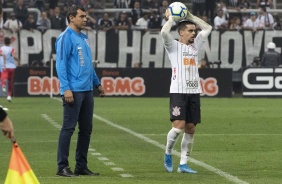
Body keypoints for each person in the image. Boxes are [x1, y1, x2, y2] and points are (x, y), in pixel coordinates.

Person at [55, 5, 106, 177]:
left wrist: (97, 84)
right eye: (82, 16)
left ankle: (81, 166)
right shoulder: (65, 38)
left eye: (86, 16)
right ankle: (62, 166)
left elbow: (88, 65)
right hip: (74, 91)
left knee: (86, 130)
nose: (85, 19)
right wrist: (65, 88)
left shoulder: (84, 38)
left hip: (87, 90)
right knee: (68, 128)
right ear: (71, 18)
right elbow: (60, 64)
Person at [161, 9, 212, 173]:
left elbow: (208, 28)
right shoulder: (173, 46)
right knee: (178, 127)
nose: (193, 33)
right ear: (181, 32)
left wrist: (190, 16)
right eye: (190, 31)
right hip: (178, 91)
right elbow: (163, 32)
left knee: (190, 128)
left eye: (194, 31)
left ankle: (183, 164)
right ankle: (168, 152)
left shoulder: (195, 46)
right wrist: (170, 20)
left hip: (194, 91)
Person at [1, 37, 20, 102]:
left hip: (4, 66)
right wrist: (18, 61)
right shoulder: (12, 49)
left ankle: (3, 85)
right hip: (12, 67)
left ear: (4, 42)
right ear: (10, 42)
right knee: (10, 81)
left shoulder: (1, 48)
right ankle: (9, 96)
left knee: (4, 76)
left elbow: (2, 54)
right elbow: (14, 56)